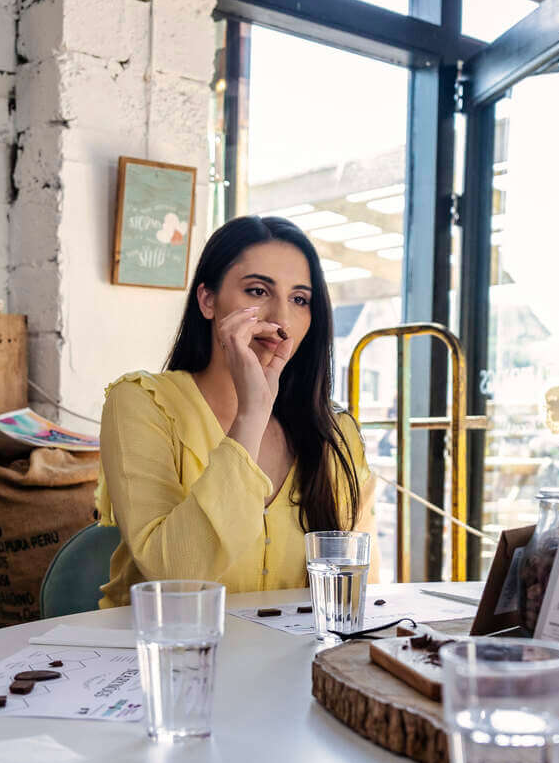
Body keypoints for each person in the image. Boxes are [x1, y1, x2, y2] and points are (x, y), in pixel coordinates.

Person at [97, 215, 374, 606]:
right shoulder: (141, 402)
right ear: (208, 300)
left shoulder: (336, 431)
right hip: (167, 656)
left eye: (299, 299)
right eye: (258, 291)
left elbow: (357, 592)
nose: (280, 318)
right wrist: (252, 415)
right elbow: (175, 576)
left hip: (287, 661)